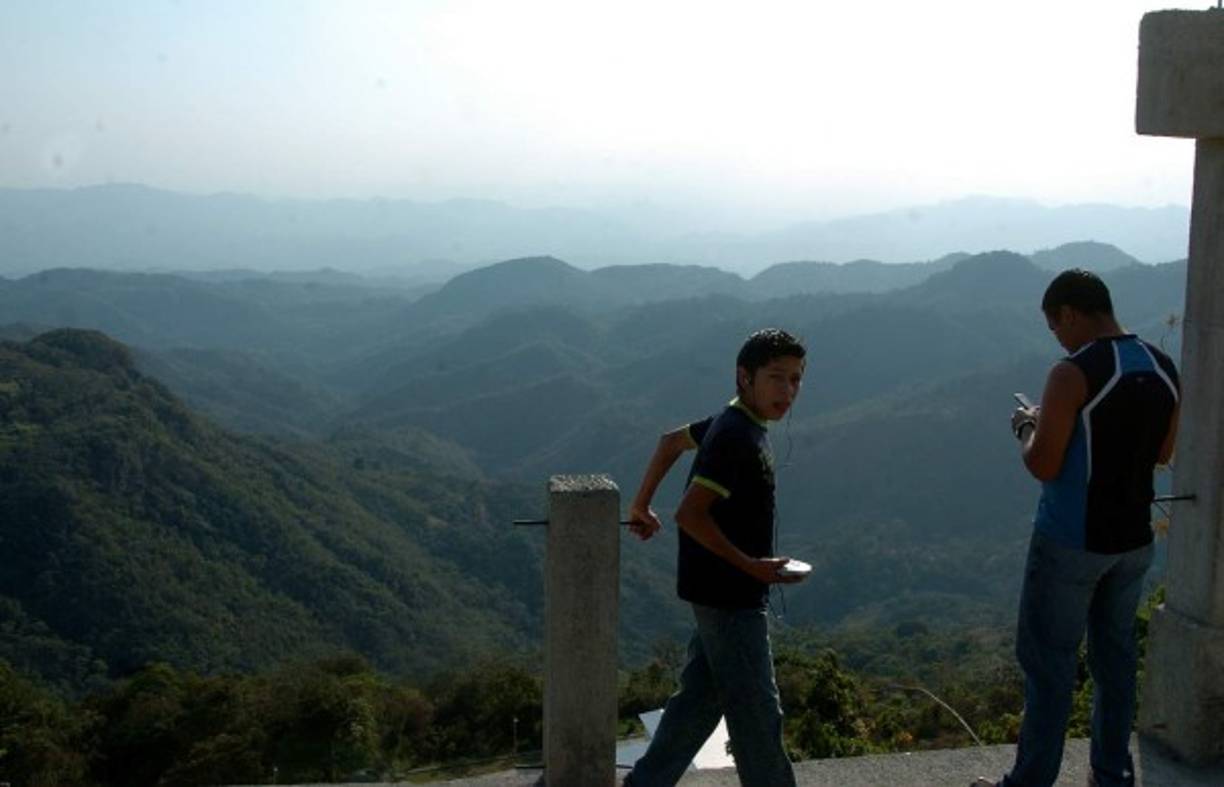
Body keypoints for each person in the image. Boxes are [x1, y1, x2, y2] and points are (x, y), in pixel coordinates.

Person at [973, 269, 1180, 787]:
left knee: (1049, 667)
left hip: (1071, 539)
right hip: (1134, 541)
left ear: (1069, 312)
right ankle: (1113, 774)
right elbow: (1163, 453)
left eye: (1054, 326)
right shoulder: (1163, 366)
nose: (1057, 338)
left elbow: (1042, 464)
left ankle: (1030, 781)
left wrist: (1027, 427)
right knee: (1115, 663)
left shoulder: (1072, 373)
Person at [623, 328, 807, 787]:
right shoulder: (734, 437)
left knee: (698, 703)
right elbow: (690, 514)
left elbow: (669, 441)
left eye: (796, 379)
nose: (787, 390)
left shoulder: (732, 421)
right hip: (730, 596)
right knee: (758, 717)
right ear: (744, 377)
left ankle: (645, 783)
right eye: (776, 377)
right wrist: (753, 567)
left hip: (714, 591)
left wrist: (640, 504)